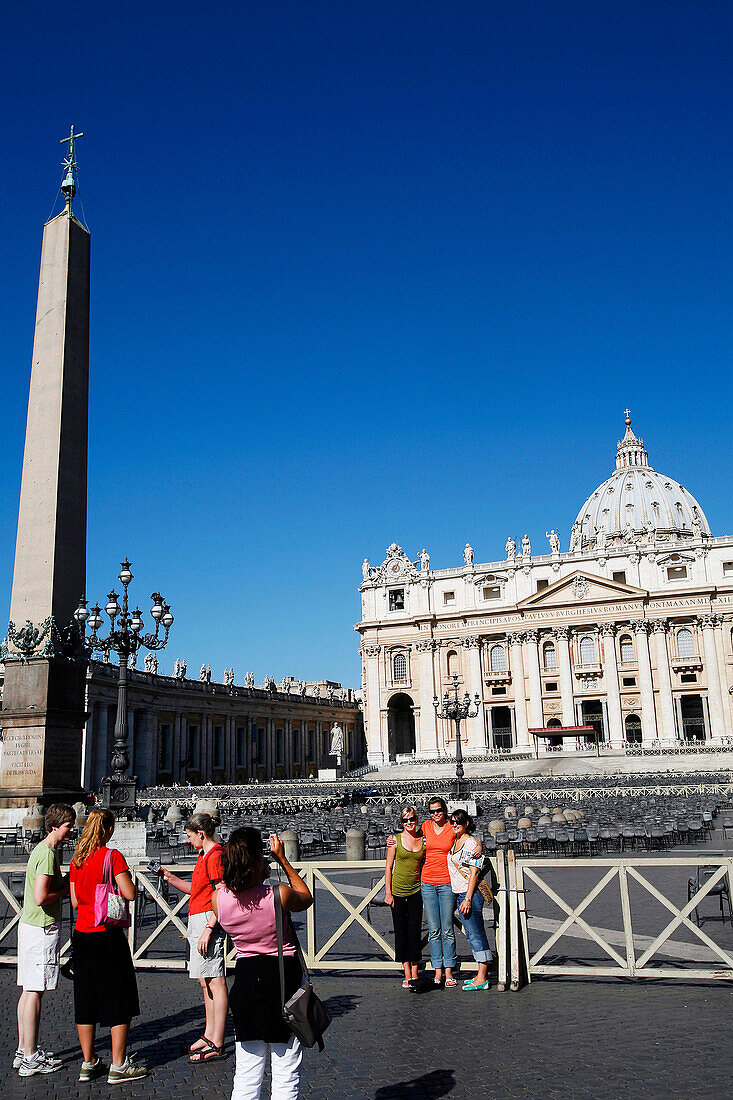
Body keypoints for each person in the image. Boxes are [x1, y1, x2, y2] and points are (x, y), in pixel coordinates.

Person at [211, 828, 313, 1100]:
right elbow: (306, 896)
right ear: (257, 860)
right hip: (282, 981)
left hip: (245, 983)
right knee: (285, 1071)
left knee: (246, 1073)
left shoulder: (218, 899)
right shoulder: (278, 895)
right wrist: (282, 860)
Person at [69, 808, 146, 1084]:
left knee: (86, 998)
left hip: (82, 933)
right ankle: (118, 1065)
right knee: (118, 997)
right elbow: (129, 893)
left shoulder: (77, 859)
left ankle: (88, 1063)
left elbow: (76, 902)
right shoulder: (112, 856)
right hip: (107, 934)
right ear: (109, 830)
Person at [15, 803, 75, 1077]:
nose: (71, 830)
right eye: (68, 826)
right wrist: (63, 891)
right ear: (54, 826)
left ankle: (23, 1049)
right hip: (41, 928)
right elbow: (41, 897)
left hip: (29, 926)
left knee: (27, 990)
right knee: (35, 991)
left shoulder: (39, 849)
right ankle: (30, 1056)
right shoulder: (48, 854)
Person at [162, 812, 228, 1062]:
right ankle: (208, 1033)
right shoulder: (203, 855)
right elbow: (196, 890)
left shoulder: (215, 856)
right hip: (198, 917)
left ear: (201, 834)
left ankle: (217, 1041)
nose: (188, 841)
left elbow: (222, 894)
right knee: (205, 981)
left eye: (189, 836)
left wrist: (211, 928)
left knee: (216, 981)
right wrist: (172, 878)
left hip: (208, 921)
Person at [448, 810, 492, 991]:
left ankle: (482, 977)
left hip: (470, 895)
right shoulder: (455, 841)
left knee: (476, 933)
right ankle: (481, 973)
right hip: (460, 893)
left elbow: (474, 872)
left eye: (458, 822)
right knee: (473, 933)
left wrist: (467, 897)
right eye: (452, 822)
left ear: (466, 823)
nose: (454, 825)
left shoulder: (470, 842)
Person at [384, 805, 425, 988]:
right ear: (401, 823)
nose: (409, 822)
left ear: (417, 820)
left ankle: (415, 971)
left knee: (415, 931)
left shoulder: (423, 840)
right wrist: (388, 893)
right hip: (398, 892)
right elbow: (388, 868)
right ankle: (406, 971)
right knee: (401, 932)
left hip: (416, 891)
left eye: (412, 819)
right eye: (406, 820)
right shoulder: (395, 841)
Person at [420, 797, 457, 986]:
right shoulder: (426, 826)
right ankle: (437, 970)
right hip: (427, 882)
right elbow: (409, 833)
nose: (435, 814)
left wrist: (478, 847)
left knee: (448, 929)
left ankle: (449, 969)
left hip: (446, 883)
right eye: (432, 811)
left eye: (438, 810)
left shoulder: (453, 826)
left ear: (445, 810)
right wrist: (394, 840)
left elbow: (468, 837)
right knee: (434, 930)